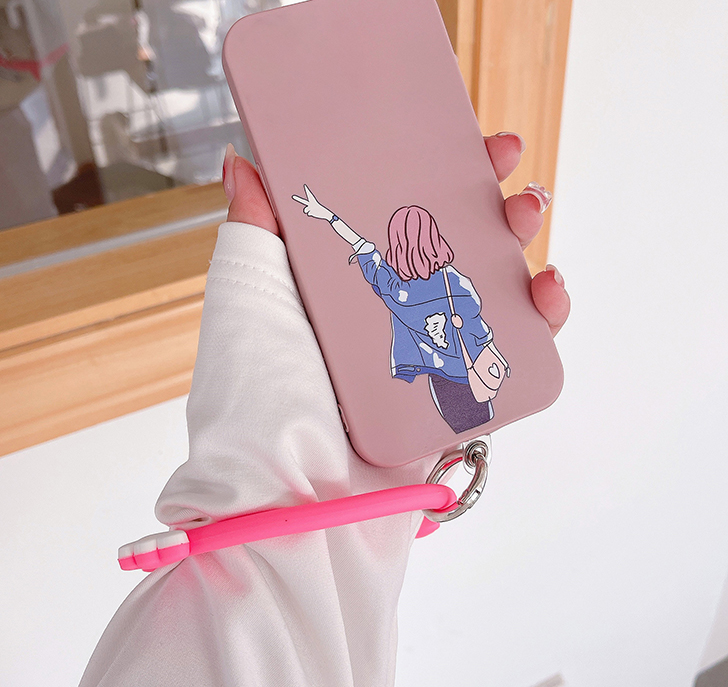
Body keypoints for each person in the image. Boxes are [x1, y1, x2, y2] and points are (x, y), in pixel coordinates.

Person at [78, 133, 569, 687]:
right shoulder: (453, 283)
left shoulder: (400, 291)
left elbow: (366, 253)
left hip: (441, 393)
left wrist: (324, 214)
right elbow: (470, 317)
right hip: (456, 389)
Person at [291, 189, 510, 434]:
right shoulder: (455, 282)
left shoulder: (398, 292)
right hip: (476, 367)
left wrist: (330, 217)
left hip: (442, 376)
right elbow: (477, 325)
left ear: (396, 246)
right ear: (434, 238)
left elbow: (364, 248)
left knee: (463, 430)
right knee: (484, 427)